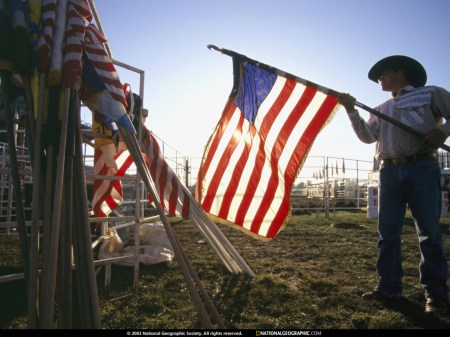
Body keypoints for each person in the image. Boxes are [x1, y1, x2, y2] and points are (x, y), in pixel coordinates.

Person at [339, 55, 449, 314]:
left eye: (383, 73)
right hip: (389, 170)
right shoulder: (381, 108)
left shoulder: (431, 93)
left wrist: (442, 132)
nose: (379, 78)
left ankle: (436, 295)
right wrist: (351, 110)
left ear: (401, 72)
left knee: (429, 233)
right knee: (388, 233)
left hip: (421, 165)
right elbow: (367, 137)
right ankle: (388, 287)